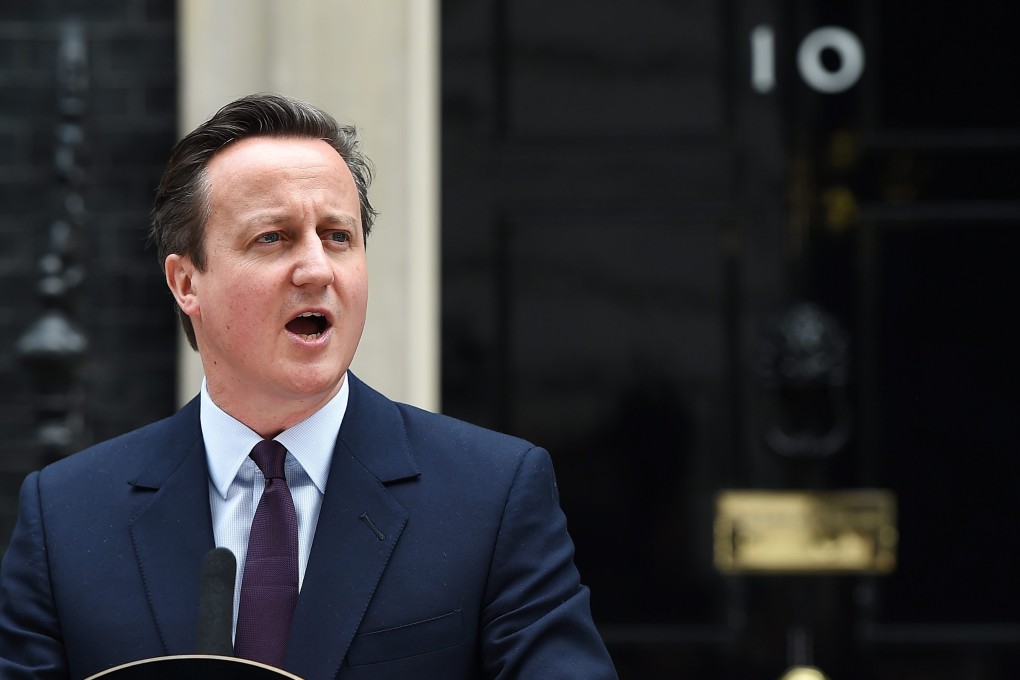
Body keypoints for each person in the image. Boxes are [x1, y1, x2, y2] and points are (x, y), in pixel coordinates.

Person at [0, 93, 618, 680]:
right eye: (273, 237)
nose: (317, 268)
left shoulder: (493, 495)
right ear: (186, 283)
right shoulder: (65, 518)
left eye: (339, 236)